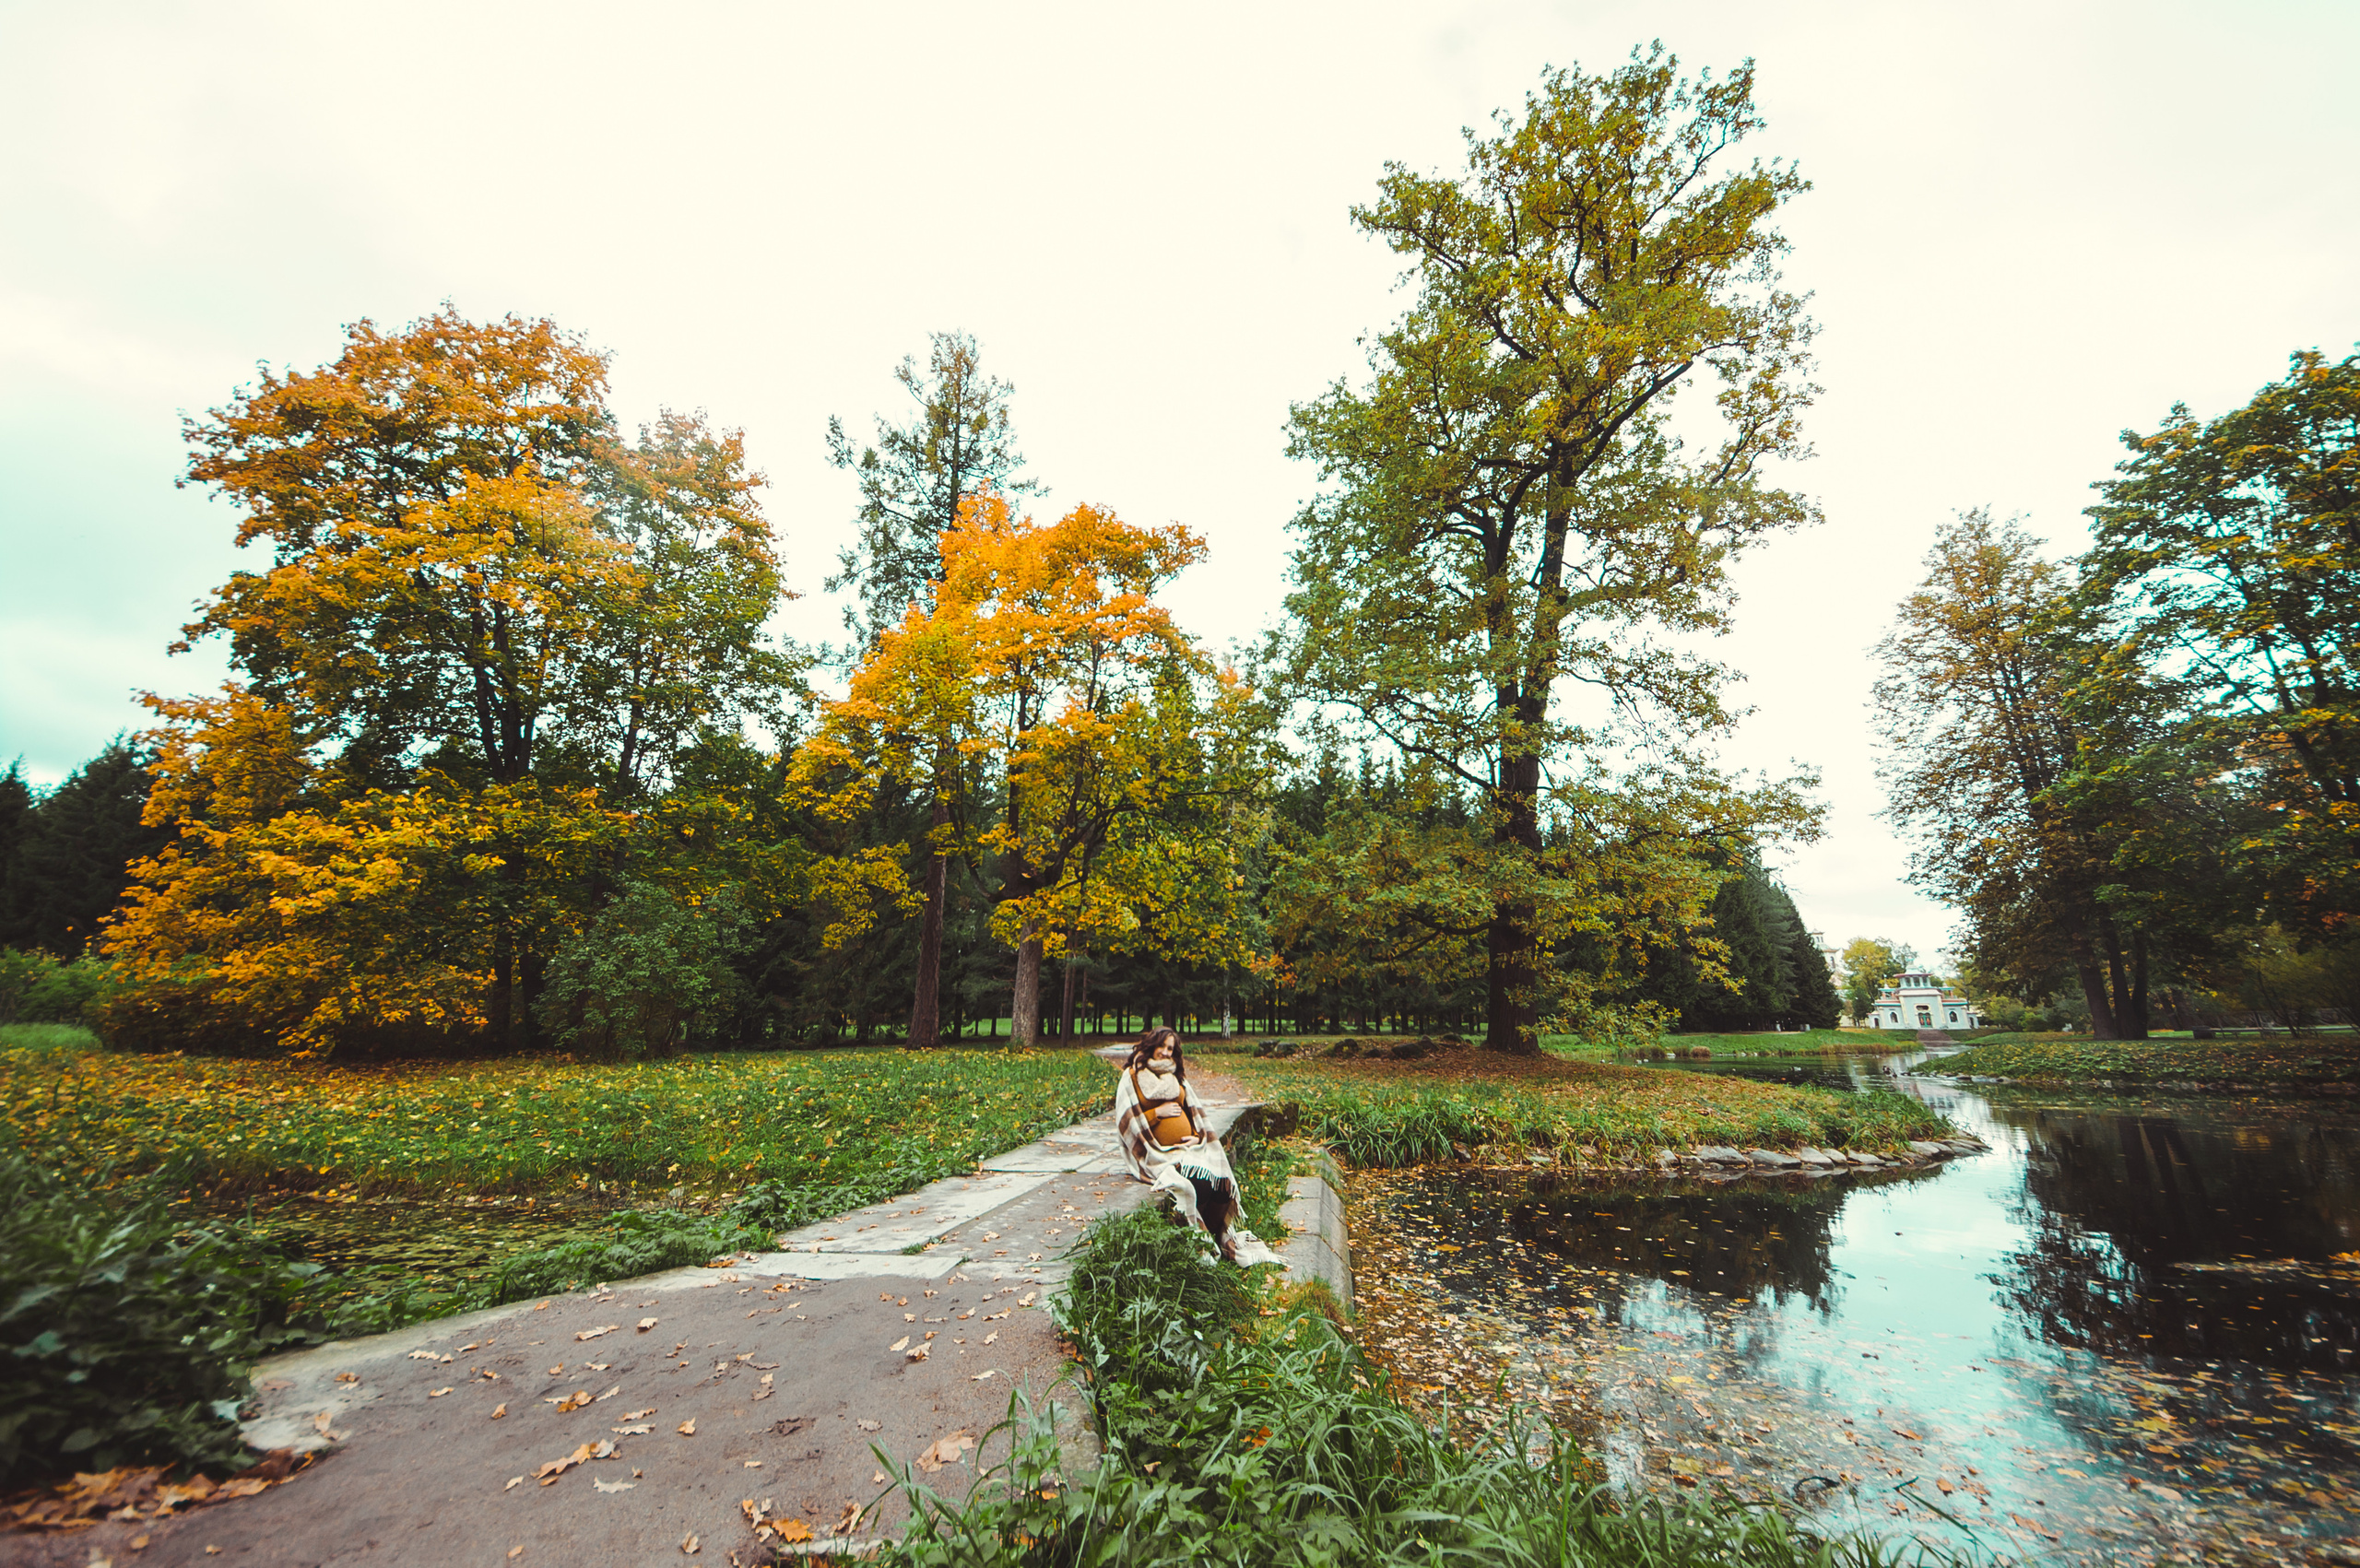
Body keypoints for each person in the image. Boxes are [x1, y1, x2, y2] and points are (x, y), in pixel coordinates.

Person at [1112, 1028, 1281, 1266]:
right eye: (1162, 1046)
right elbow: (1126, 1123)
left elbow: (1193, 1114)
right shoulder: (1132, 1076)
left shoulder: (1175, 1075)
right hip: (1156, 1152)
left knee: (1222, 1184)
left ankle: (1213, 1237)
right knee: (1199, 1184)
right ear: (1151, 1044)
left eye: (1170, 1048)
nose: (1165, 1052)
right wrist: (1157, 1113)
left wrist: (1194, 1135)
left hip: (1188, 1149)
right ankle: (1199, 1244)